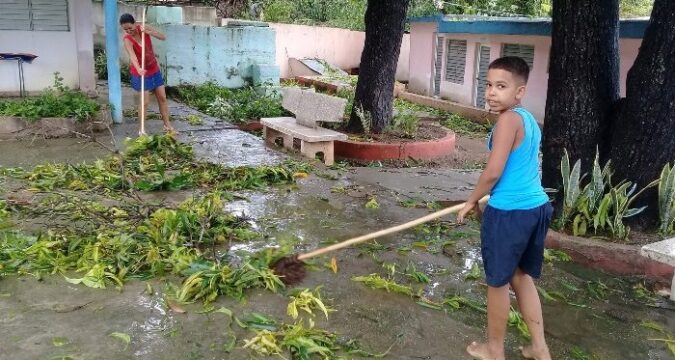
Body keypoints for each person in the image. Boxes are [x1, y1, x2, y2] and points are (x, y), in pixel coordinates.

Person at [457, 56, 553, 360]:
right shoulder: (528, 120)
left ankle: (494, 350)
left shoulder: (507, 120)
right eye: (488, 85)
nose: (491, 92)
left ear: (520, 91)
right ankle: (539, 347)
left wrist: (472, 200)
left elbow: (494, 172)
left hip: (510, 213)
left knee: (497, 282)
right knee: (522, 277)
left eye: (501, 86)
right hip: (536, 208)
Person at [119, 13, 174, 134]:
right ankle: (141, 130)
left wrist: (149, 32)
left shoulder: (144, 28)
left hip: (154, 69)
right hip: (141, 73)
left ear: (135, 24)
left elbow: (162, 37)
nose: (129, 31)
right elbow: (133, 57)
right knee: (144, 103)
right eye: (125, 29)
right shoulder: (127, 40)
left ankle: (167, 125)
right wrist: (139, 69)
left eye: (130, 28)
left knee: (162, 98)